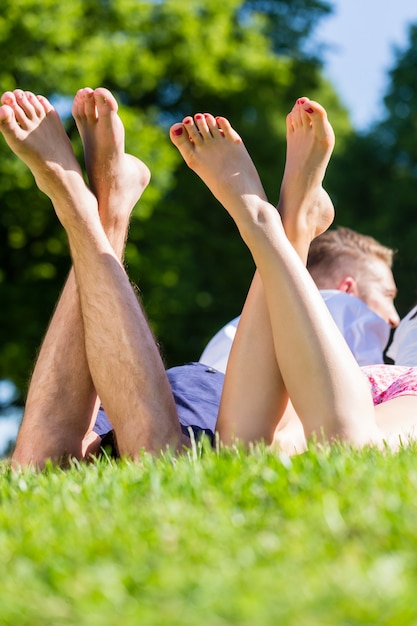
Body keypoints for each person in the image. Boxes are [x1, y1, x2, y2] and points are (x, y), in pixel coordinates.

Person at [1, 88, 417, 468]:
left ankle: (92, 202)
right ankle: (287, 222)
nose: (393, 318)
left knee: (38, 460)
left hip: (180, 391)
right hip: (209, 395)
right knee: (160, 452)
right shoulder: (356, 319)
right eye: (387, 294)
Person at [200, 226, 399, 372]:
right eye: (387, 295)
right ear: (346, 289)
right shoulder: (348, 307)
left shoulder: (234, 328)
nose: (395, 318)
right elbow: (372, 396)